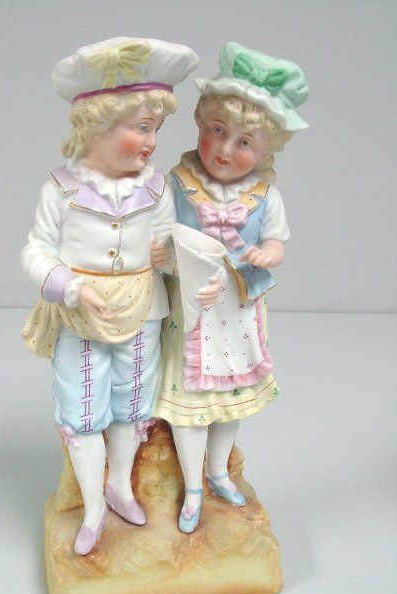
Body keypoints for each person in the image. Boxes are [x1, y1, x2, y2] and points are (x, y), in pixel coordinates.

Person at [21, 37, 198, 554]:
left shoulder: (156, 187)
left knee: (132, 400)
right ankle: (93, 508)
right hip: (80, 315)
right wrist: (72, 287)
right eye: (142, 128)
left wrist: (173, 255)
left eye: (156, 129)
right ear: (96, 126)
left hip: (142, 306)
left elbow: (168, 244)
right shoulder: (61, 190)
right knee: (83, 407)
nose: (152, 142)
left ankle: (119, 484)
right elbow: (35, 251)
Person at [154, 42, 309, 533]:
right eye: (217, 131)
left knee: (230, 398)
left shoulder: (265, 194)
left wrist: (267, 254)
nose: (224, 149)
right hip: (190, 310)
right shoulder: (177, 183)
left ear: (266, 150)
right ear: (200, 124)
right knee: (190, 403)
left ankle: (218, 471)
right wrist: (173, 264)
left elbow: (276, 241)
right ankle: (192, 486)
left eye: (244, 142)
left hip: (238, 309)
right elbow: (158, 243)